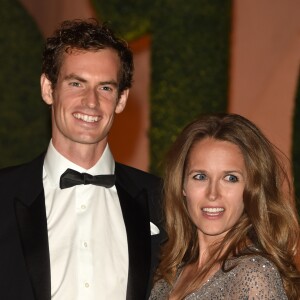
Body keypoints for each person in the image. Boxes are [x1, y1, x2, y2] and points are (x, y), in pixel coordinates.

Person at [0, 19, 164, 300]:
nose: (91, 102)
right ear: (48, 89)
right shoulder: (3, 194)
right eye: (76, 83)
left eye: (105, 88)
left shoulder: (161, 199)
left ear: (121, 99)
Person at [149, 113, 300, 299]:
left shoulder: (254, 275)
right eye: (200, 177)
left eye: (230, 178)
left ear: (251, 189)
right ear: (182, 185)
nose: (213, 194)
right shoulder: (167, 277)